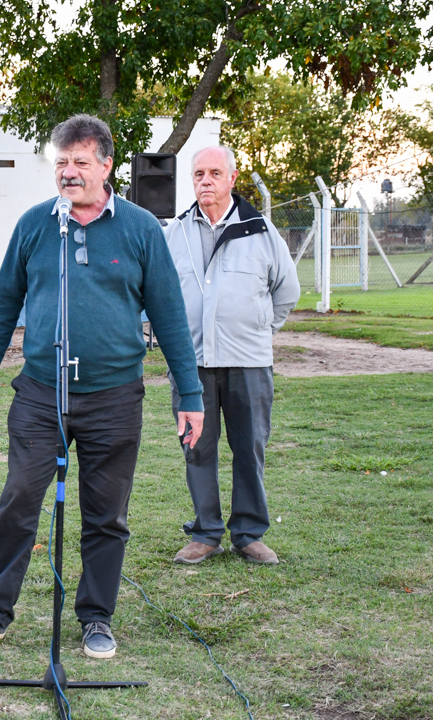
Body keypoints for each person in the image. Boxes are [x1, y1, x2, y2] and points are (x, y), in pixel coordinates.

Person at [0, 114, 205, 660]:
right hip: (41, 393)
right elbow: (3, 305)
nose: (69, 172)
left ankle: (96, 616)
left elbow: (169, 315)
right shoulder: (35, 225)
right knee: (19, 498)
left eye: (80, 162)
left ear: (107, 166)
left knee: (106, 513)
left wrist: (190, 395)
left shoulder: (141, 228)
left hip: (115, 397)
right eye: (61, 162)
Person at [164, 146, 300, 567]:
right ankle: (206, 533)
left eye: (214, 173)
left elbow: (287, 291)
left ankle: (248, 533)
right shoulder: (175, 233)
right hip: (192, 365)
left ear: (232, 178)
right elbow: (159, 293)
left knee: (249, 447)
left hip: (249, 363)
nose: (206, 180)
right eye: (198, 174)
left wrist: (259, 330)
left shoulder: (261, 231)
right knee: (197, 448)